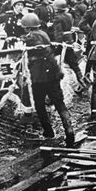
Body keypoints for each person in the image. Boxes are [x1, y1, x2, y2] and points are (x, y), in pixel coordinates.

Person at [20, 13, 74, 147]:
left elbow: (35, 46)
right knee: (59, 103)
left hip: (39, 77)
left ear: (27, 28)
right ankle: (69, 130)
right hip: (52, 75)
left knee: (39, 104)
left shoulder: (31, 37)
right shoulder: (43, 33)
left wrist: (22, 40)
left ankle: (48, 131)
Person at [52, 0, 84, 85]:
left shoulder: (57, 18)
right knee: (72, 61)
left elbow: (58, 32)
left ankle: (53, 80)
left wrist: (57, 42)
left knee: (50, 59)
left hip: (61, 42)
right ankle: (80, 77)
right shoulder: (69, 15)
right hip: (69, 40)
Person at [79, 0, 96, 74]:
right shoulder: (89, 13)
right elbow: (81, 25)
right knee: (90, 58)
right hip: (92, 38)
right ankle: (87, 75)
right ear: (94, 4)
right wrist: (91, 31)